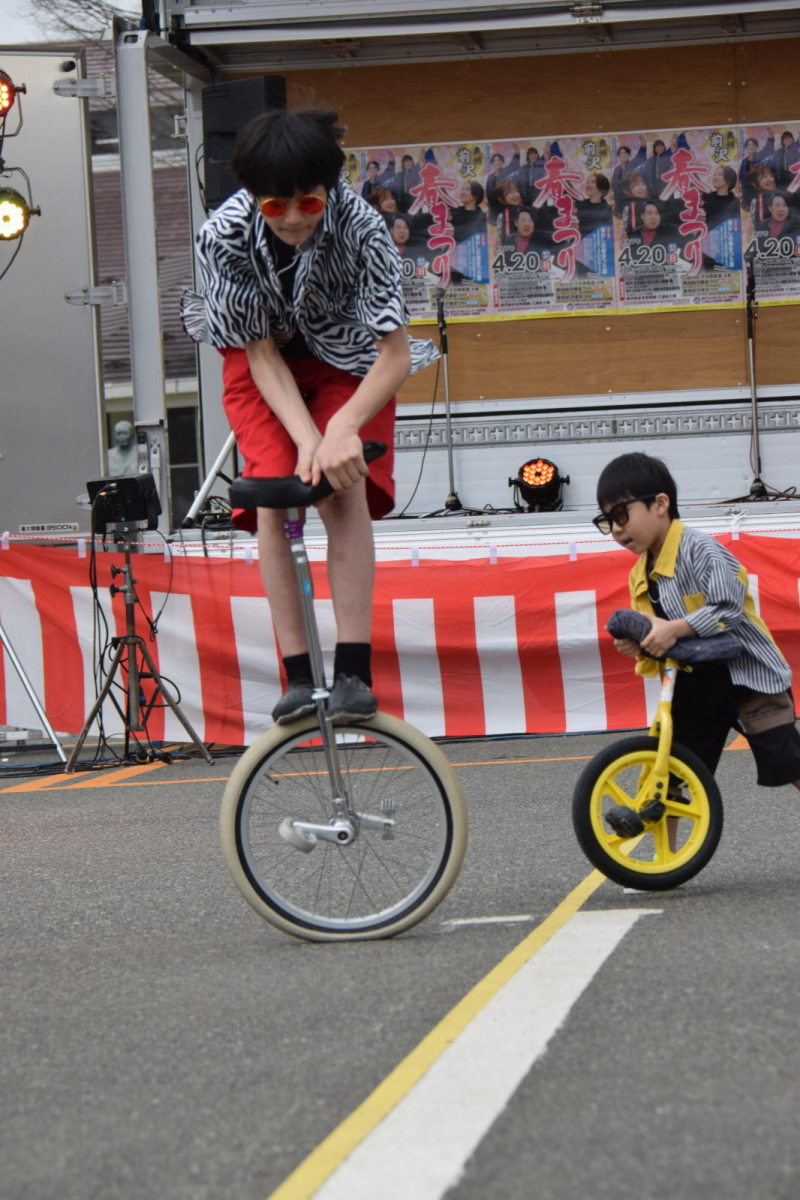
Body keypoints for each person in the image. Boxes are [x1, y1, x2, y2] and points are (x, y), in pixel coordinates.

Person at [181, 108, 438, 725]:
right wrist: (305, 440)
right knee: (278, 491)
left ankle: (353, 669)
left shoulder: (363, 228)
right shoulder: (223, 235)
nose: (294, 218)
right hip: (263, 361)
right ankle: (298, 675)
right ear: (253, 196)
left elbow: (395, 354)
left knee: (341, 486)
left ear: (329, 189)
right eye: (276, 205)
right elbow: (259, 353)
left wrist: (339, 429)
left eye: (308, 203)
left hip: (348, 357)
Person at [594, 452, 800, 813]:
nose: (616, 529)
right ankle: (666, 850)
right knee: (670, 775)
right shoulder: (640, 573)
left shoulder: (701, 549)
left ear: (660, 504)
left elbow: (728, 608)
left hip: (749, 677)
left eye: (621, 515)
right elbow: (657, 634)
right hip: (695, 682)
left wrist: (674, 629)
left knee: (787, 761)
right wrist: (638, 644)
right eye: (606, 520)